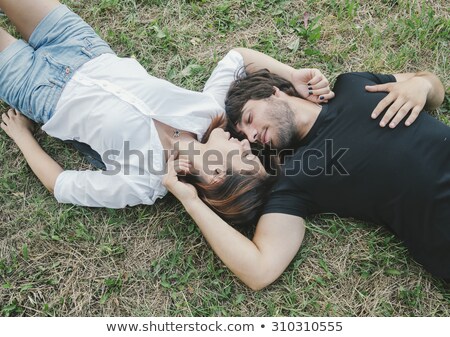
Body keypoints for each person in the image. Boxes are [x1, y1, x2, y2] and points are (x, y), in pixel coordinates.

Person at [0, 0, 332, 218]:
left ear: (216, 176)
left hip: (39, 92)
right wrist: (292, 76)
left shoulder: (144, 183)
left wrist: (22, 136)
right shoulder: (209, 113)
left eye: (246, 157)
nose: (247, 143)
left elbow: (61, 184)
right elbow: (237, 59)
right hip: (83, 47)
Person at [164, 63, 448, 290]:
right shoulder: (297, 176)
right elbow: (260, 271)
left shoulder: (352, 84)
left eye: (250, 119)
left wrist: (421, 85)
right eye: (248, 137)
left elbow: (435, 87)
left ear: (273, 92)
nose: (252, 136)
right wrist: (191, 202)